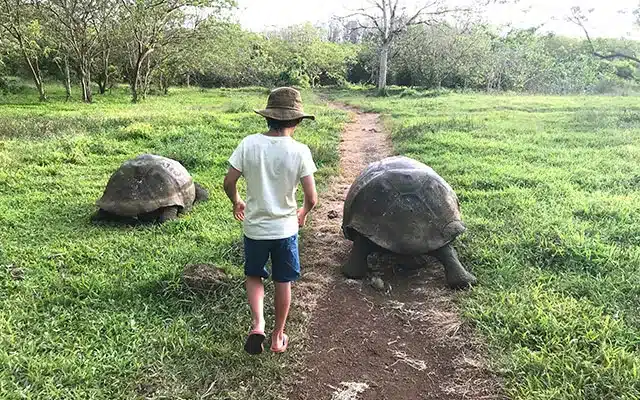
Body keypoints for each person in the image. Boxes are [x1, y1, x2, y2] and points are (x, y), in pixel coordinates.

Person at [223, 87, 318, 355]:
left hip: (255, 228)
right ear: (297, 121)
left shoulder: (249, 143)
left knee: (254, 275)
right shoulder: (300, 151)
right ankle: (277, 337)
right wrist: (304, 212)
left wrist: (236, 201)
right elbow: (312, 197)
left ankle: (258, 324)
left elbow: (229, 181)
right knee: (282, 281)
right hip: (285, 229)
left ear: (267, 117)